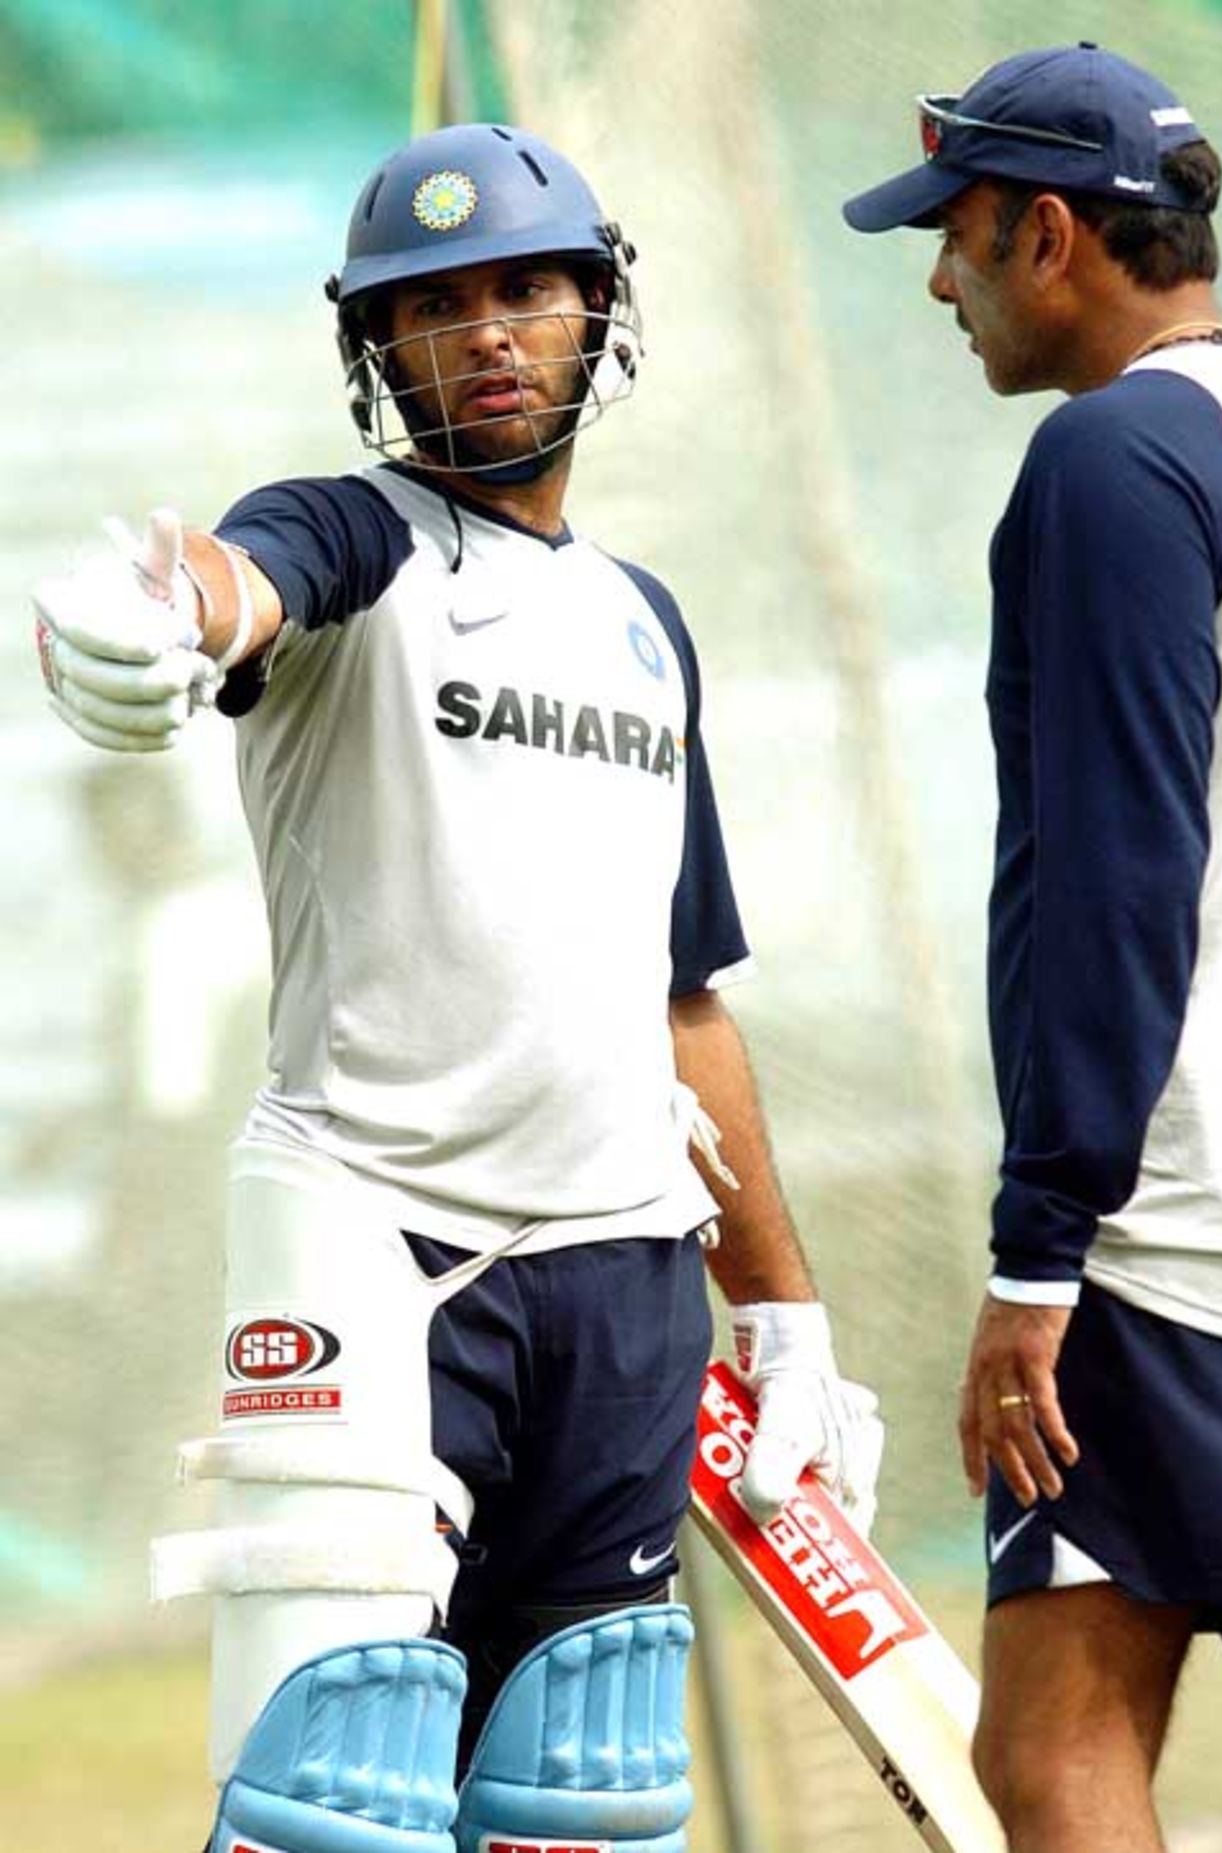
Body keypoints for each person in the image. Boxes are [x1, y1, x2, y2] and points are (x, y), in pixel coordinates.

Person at [33, 123, 883, 1853]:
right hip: (380, 1241)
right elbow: (232, 576)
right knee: (333, 1793)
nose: (486, 334)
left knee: (586, 1796)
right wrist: (149, 599)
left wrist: (781, 1312)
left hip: (626, 1277)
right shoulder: (353, 540)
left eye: (525, 291)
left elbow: (686, 1002)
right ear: (375, 352)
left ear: (599, 313)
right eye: (433, 310)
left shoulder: (647, 623)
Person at [843, 40, 1222, 1853]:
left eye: (951, 235)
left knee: (1057, 1751)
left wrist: (1040, 1254)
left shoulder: (1112, 461)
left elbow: (1115, 876)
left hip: (1180, 1228)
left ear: (1046, 234)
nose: (937, 279)